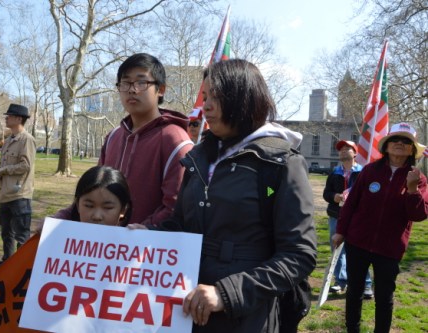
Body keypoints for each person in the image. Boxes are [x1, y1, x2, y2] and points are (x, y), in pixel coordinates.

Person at [129, 59, 317, 332]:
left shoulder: (281, 163)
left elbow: (299, 255)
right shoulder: (198, 158)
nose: (206, 106)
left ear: (244, 98)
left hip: (246, 317)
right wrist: (150, 234)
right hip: (186, 307)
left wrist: (227, 294)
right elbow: (181, 224)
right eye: (205, 96)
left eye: (216, 96)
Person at [333, 122, 428, 333]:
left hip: (390, 248)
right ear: (386, 145)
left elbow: (419, 215)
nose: (399, 144)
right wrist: (340, 230)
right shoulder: (369, 171)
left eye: (406, 141)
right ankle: (352, 329)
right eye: (395, 139)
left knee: (384, 297)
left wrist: (412, 190)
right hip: (357, 242)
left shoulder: (418, 179)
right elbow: (351, 204)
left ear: (412, 149)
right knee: (354, 291)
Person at [99, 53, 194, 226]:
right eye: (125, 83)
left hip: (146, 248)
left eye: (141, 82)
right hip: (106, 245)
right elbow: (93, 192)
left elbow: (176, 207)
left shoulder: (175, 140)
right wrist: (61, 218)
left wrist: (143, 231)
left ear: (161, 90)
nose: (132, 90)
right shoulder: (113, 136)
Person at [0, 104, 36, 273]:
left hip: (20, 195)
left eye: (9, 116)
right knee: (6, 233)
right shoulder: (8, 140)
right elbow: (4, 164)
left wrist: (4, 170)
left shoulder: (26, 139)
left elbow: (25, 166)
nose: (6, 118)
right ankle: (7, 263)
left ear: (18, 119)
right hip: (5, 194)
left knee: (22, 235)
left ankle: (23, 270)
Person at [323, 140, 373, 298]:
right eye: (341, 150)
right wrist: (334, 197)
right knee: (337, 249)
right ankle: (340, 281)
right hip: (336, 216)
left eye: (347, 149)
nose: (343, 152)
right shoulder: (334, 173)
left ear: (355, 153)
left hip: (357, 218)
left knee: (359, 251)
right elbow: (326, 193)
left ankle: (366, 285)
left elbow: (370, 193)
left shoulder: (364, 172)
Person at [54, 165, 132, 225]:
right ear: (78, 205)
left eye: (108, 207)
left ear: (123, 210)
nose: (97, 216)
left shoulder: (132, 243)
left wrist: (142, 237)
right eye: (89, 206)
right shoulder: (63, 238)